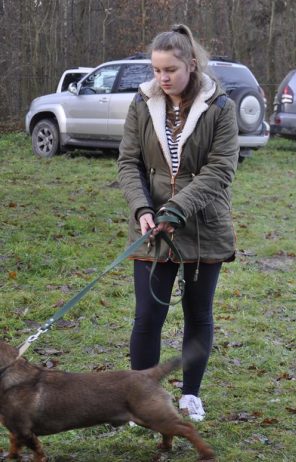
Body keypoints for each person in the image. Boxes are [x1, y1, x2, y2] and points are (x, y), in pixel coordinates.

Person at [117, 24, 239, 422]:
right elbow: (129, 163)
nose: (162, 78)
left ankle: (190, 395)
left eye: (170, 69)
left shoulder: (220, 106)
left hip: (204, 227)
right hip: (151, 230)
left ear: (191, 64)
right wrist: (142, 209)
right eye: (155, 70)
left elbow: (220, 169)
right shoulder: (142, 103)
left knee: (198, 314)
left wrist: (177, 209)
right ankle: (140, 401)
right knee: (147, 318)